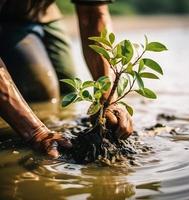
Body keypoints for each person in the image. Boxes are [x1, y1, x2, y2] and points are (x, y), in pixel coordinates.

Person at [0, 0, 133, 158]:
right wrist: (35, 133)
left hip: (44, 11)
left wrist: (108, 97)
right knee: (40, 91)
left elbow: (93, 14)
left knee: (68, 89)